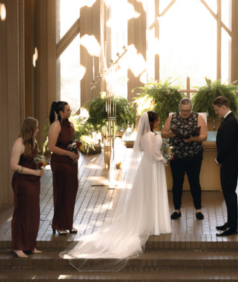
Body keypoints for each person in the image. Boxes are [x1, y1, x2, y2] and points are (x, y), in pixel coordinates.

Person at [60, 111, 171, 271]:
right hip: (152, 168)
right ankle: (152, 223)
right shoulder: (148, 136)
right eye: (158, 120)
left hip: (154, 168)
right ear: (152, 122)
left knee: (153, 195)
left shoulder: (152, 134)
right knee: (149, 195)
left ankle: (156, 222)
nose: (159, 122)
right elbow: (153, 154)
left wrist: (163, 156)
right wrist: (164, 158)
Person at [162, 98, 208, 220]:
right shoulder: (172, 117)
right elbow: (163, 133)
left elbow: (204, 136)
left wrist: (193, 139)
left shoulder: (198, 118)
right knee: (177, 183)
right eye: (183, 111)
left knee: (194, 182)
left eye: (188, 111)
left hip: (194, 155)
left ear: (191, 109)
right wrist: (169, 134)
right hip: (176, 156)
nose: (185, 113)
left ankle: (198, 210)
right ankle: (177, 210)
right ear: (179, 109)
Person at [9, 117, 44, 258]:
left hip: (34, 182)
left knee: (33, 214)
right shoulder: (19, 143)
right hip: (22, 183)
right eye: (36, 127)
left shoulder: (33, 142)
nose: (38, 129)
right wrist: (33, 171)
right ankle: (18, 247)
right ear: (30, 129)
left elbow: (34, 159)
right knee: (22, 214)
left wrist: (40, 165)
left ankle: (30, 245)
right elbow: (13, 166)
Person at [48, 101, 79, 235]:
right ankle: (59, 224)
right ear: (60, 112)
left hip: (71, 164)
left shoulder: (70, 125)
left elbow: (72, 142)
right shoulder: (55, 126)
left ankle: (68, 223)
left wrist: (76, 152)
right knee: (61, 193)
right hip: (60, 164)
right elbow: (52, 147)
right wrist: (68, 153)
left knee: (70, 193)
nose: (70, 111)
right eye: (68, 110)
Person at [213, 96, 238, 237]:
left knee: (230, 195)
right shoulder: (228, 120)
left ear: (223, 107)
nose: (216, 112)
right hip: (229, 163)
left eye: (217, 110)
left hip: (230, 164)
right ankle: (230, 223)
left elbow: (227, 145)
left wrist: (219, 159)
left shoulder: (230, 122)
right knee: (228, 194)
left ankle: (233, 227)